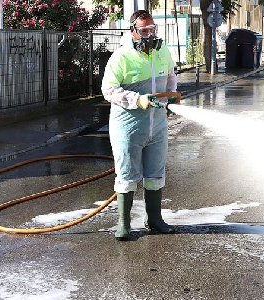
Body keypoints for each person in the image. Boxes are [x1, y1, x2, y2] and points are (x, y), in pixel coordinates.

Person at [101, 10, 177, 241]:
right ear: (133, 31)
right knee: (126, 174)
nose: (150, 34)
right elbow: (109, 90)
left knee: (155, 173)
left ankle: (154, 219)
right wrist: (137, 99)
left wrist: (171, 95)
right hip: (129, 127)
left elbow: (171, 75)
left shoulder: (162, 51)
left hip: (158, 126)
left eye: (152, 29)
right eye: (144, 30)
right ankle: (124, 224)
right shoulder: (121, 57)